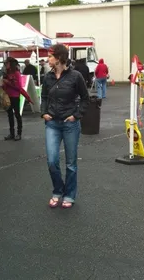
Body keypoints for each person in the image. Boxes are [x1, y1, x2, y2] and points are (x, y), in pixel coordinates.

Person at [41, 44, 90, 209]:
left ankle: (69, 194)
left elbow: (85, 98)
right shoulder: (47, 77)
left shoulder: (75, 76)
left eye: (50, 56)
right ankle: (57, 190)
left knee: (70, 163)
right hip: (52, 124)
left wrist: (76, 115)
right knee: (52, 161)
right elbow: (44, 97)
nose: (47, 59)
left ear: (60, 58)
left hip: (70, 124)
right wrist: (43, 112)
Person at [2, 57, 23, 141]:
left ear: (11, 64)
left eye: (6, 63)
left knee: (17, 114)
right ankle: (12, 133)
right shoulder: (6, 73)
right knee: (10, 115)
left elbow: (18, 87)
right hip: (8, 96)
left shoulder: (16, 73)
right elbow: (5, 86)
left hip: (15, 96)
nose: (5, 65)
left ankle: (19, 133)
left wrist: (8, 82)